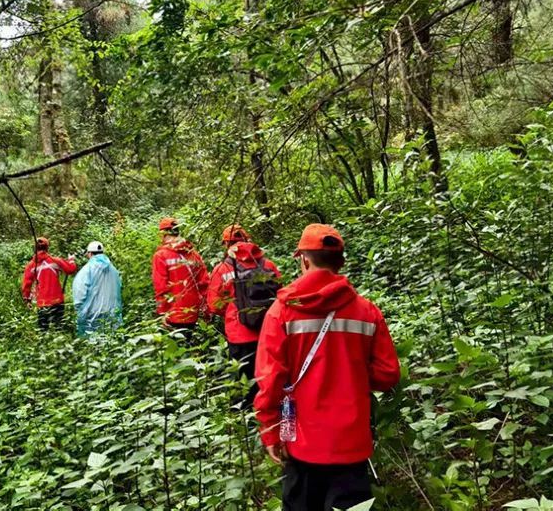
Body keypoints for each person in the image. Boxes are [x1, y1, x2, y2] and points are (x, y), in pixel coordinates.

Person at [254, 224, 400, 511]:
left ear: (304, 260)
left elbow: (271, 380)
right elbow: (387, 375)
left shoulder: (281, 312)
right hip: (352, 444)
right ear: (341, 263)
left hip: (299, 442)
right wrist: (350, 372)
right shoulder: (366, 311)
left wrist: (272, 432)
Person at [207, 224, 281, 409]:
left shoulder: (222, 269)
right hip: (268, 332)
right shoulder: (267, 265)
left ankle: (244, 422)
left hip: (239, 335)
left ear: (227, 244)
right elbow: (280, 294)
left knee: (242, 381)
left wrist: (232, 311)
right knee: (268, 377)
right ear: (247, 240)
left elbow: (214, 305)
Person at [151, 217, 210, 330]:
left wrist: (162, 313)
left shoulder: (161, 255)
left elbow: (161, 288)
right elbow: (204, 282)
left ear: (162, 233)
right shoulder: (192, 253)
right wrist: (206, 309)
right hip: (193, 312)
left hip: (172, 314)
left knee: (175, 346)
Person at [21, 236, 77, 330]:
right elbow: (70, 269)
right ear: (47, 247)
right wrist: (71, 260)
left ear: (34, 248)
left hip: (42, 303)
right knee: (58, 328)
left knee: (43, 330)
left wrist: (27, 300)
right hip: (57, 301)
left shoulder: (31, 266)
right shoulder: (55, 261)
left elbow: (27, 284)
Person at [72, 241, 124, 337]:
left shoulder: (86, 270)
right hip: (112, 313)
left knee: (93, 343)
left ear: (90, 254)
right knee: (112, 342)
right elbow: (119, 289)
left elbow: (79, 293)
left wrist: (80, 311)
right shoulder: (114, 270)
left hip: (92, 314)